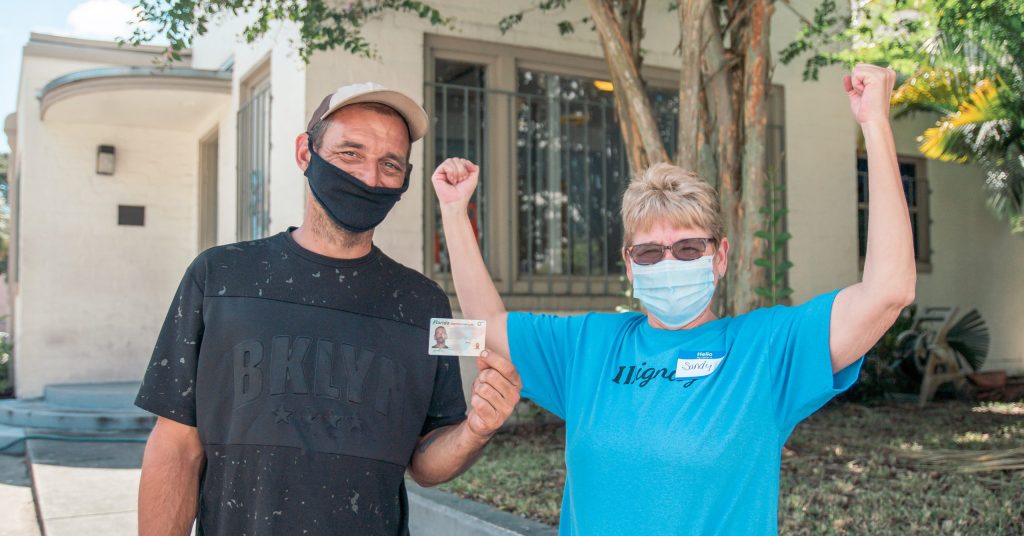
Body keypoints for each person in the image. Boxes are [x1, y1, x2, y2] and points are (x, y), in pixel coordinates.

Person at [431, 65, 914, 534]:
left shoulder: (764, 351)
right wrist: (455, 213)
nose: (669, 263)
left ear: (720, 256)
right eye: (649, 251)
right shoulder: (588, 346)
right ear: (629, 263)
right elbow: (487, 323)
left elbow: (888, 291)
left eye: (688, 248)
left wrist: (875, 125)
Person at [135, 82, 522, 536]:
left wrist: (474, 432)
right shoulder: (220, 277)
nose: (369, 178)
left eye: (389, 164)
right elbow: (176, 445)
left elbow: (426, 462)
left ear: (405, 179)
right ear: (306, 152)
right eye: (350, 154)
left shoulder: (422, 305)